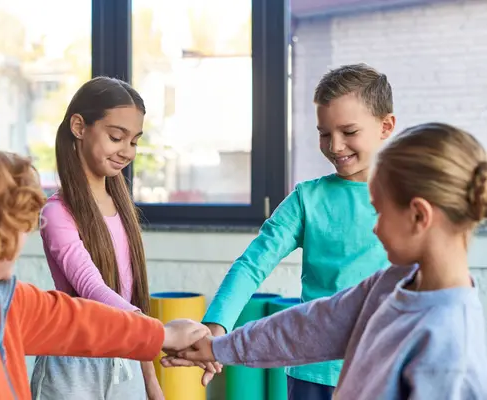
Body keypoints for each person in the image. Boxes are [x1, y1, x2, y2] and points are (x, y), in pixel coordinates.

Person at [164, 122, 487, 399]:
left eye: (380, 211)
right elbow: (309, 325)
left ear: (418, 215)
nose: (374, 226)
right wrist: (217, 347)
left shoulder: (449, 348)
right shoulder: (390, 283)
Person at [0, 140, 210, 400]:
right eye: (17, 223)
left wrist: (163, 334)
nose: (22, 236)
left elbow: (84, 321)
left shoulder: (5, 302)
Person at [200, 64, 396, 397]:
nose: (335, 146)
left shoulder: (409, 198)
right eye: (324, 133)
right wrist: (216, 325)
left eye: (349, 131)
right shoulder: (307, 199)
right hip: (313, 372)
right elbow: (253, 264)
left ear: (385, 126)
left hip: (385, 367)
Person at [30, 77, 165, 400]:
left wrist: (152, 382)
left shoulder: (122, 206)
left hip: (125, 358)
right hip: (73, 368)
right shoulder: (56, 213)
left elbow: (133, 297)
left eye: (134, 141)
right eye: (116, 137)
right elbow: (93, 290)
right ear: (79, 126)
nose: (127, 151)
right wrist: (161, 334)